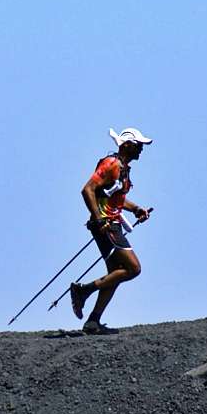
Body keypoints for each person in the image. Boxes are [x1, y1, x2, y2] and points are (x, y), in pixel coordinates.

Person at [69, 127, 153, 334]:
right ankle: (84, 290)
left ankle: (93, 321)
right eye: (138, 145)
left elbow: (115, 198)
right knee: (133, 268)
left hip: (112, 223)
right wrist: (99, 220)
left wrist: (136, 209)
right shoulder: (111, 164)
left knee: (115, 273)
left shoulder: (123, 168)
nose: (141, 150)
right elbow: (87, 189)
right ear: (127, 145)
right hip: (106, 225)